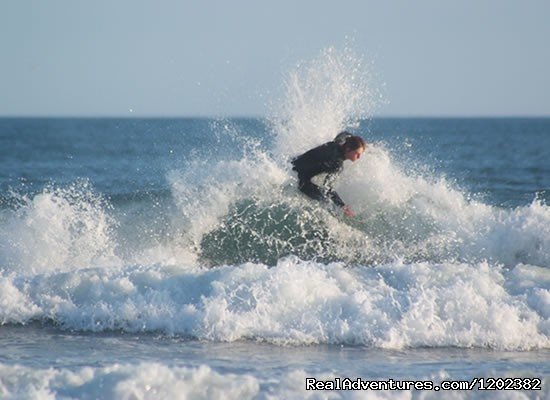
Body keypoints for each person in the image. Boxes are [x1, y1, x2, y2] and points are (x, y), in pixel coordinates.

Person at [291, 131, 366, 217]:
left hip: (294, 163)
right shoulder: (337, 164)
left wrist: (353, 138)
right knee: (326, 203)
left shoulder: (336, 143)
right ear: (348, 149)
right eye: (357, 154)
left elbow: (344, 134)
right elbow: (328, 188)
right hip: (301, 179)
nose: (359, 157)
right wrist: (343, 206)